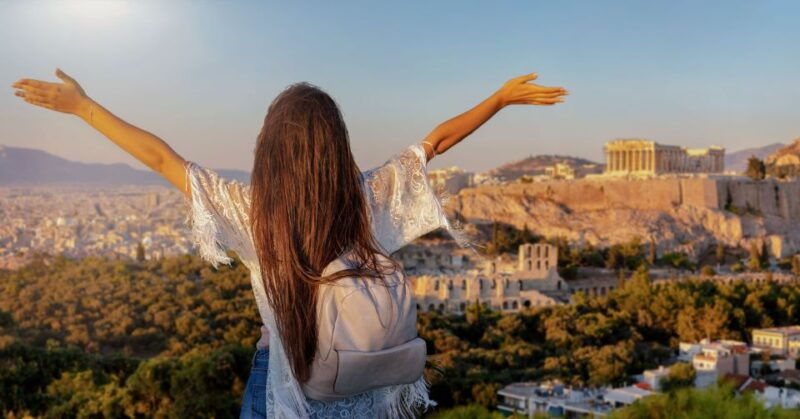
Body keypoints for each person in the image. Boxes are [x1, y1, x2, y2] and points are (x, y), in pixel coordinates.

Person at [11, 69, 567, 418]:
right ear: (337, 145)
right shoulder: (366, 199)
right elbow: (433, 144)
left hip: (285, 384)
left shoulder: (254, 214)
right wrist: (497, 99)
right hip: (363, 384)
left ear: (269, 150)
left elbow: (162, 159)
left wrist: (82, 107)